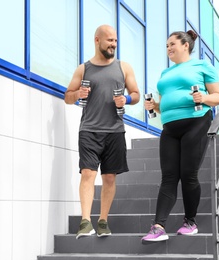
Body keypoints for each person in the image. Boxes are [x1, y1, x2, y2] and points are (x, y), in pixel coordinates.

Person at [141, 30, 219, 242]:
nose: (168, 48)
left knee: (188, 174)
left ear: (185, 45)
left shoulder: (202, 66)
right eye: (166, 46)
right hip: (169, 127)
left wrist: (203, 97)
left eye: (172, 44)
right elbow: (166, 103)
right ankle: (158, 227)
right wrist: (155, 106)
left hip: (196, 121)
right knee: (168, 176)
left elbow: (218, 97)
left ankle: (190, 221)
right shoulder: (165, 74)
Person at [64, 24, 140, 239]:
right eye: (109, 40)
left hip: (115, 131)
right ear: (97, 40)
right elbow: (67, 97)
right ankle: (85, 221)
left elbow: (136, 94)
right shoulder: (83, 69)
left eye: (115, 41)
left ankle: (103, 220)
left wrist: (125, 99)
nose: (113, 44)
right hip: (89, 130)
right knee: (88, 173)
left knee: (109, 178)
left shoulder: (124, 67)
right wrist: (78, 93)